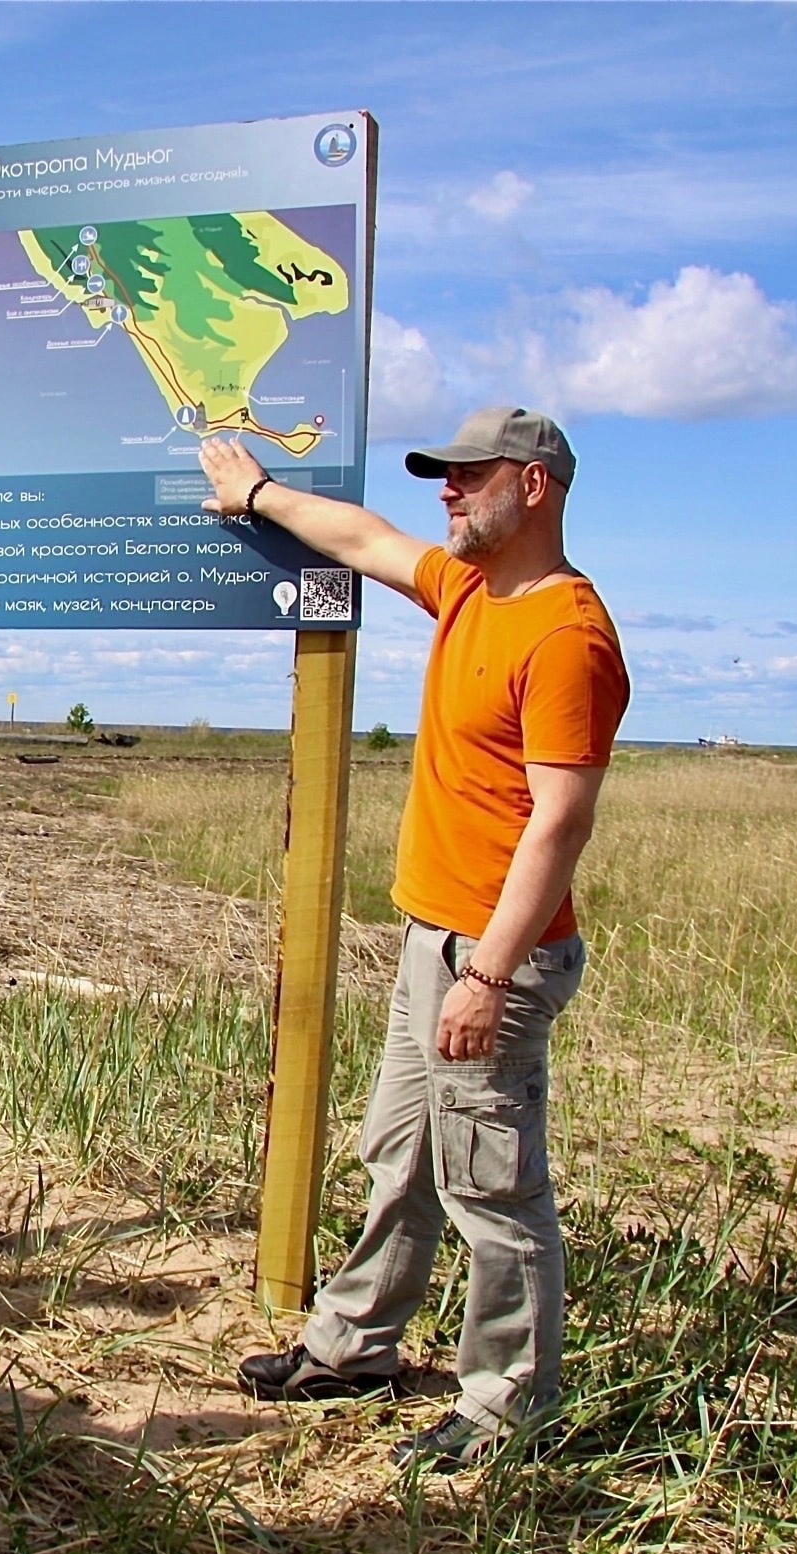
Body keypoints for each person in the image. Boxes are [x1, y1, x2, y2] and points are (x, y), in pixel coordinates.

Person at [199, 406, 630, 1474]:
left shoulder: (567, 633)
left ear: (532, 486)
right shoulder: (471, 589)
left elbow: (560, 820)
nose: (446, 492)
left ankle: (508, 1410)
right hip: (432, 942)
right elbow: (364, 539)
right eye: (441, 477)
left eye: (467, 476)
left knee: (493, 1187)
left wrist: (484, 972)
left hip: (496, 958)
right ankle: (355, 1345)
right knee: (401, 1150)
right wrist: (256, 494)